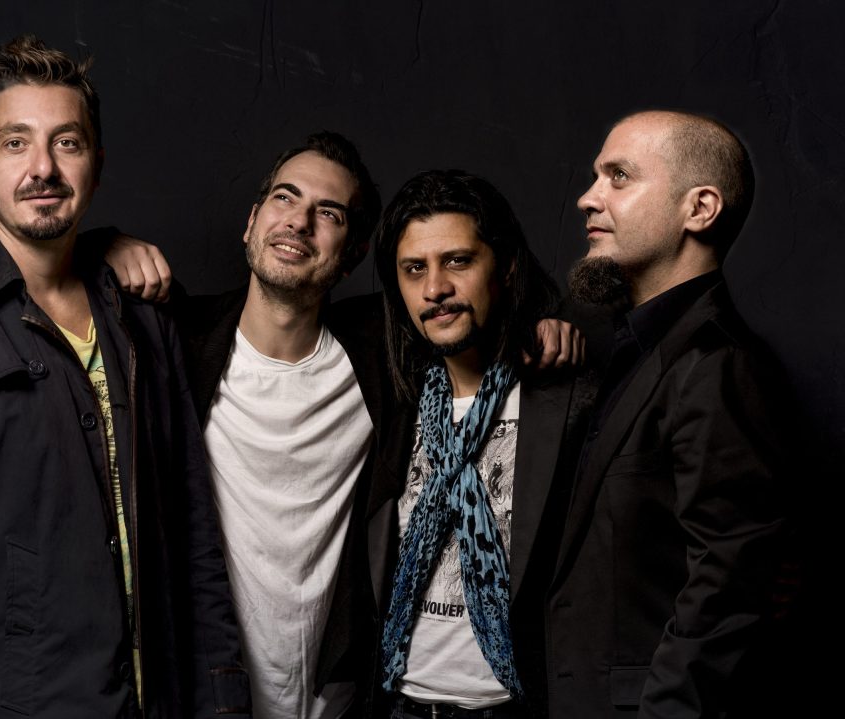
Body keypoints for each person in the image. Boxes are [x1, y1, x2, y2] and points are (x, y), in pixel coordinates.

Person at [104, 134, 579, 719]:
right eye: (284, 197)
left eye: (327, 213)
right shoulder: (179, 341)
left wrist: (547, 321)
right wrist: (105, 243)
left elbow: (468, 305)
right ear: (251, 221)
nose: (298, 222)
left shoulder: (384, 352)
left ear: (353, 256)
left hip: (342, 698)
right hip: (208, 689)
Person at [0, 35, 247, 719]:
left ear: (96, 165)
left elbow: (194, 535)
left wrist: (223, 704)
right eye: (15, 144)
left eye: (66, 143)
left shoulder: (141, 317)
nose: (42, 167)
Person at [549, 110, 788, 717]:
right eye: (595, 177)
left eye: (619, 177)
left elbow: (729, 586)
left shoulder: (717, 364)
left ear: (699, 209)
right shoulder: (631, 348)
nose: (588, 198)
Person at [370, 170, 591, 719]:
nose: (435, 289)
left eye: (458, 261)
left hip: (516, 706)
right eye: (414, 269)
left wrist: (561, 322)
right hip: (400, 704)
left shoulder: (566, 397)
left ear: (506, 266)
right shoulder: (393, 403)